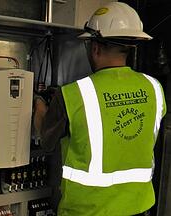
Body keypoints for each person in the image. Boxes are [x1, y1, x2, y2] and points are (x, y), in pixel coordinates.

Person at [33, 2, 167, 216]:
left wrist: (38, 104)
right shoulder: (154, 88)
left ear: (94, 48)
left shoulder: (72, 94)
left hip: (86, 210)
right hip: (138, 207)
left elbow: (46, 141)